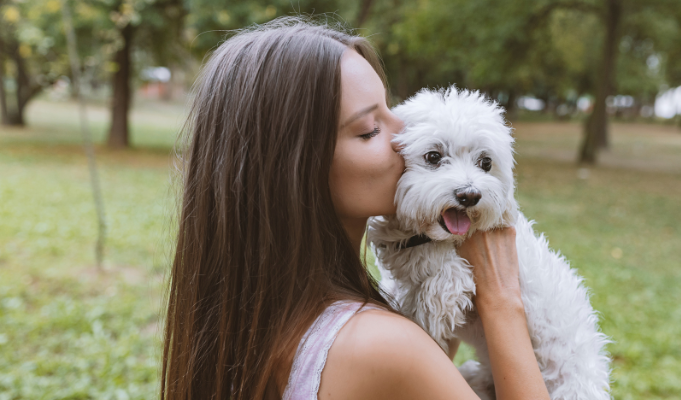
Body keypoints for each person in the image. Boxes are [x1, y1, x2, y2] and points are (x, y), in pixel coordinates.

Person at [161, 17, 550, 400]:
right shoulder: (385, 347)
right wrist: (502, 300)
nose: (403, 135)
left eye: (390, 107)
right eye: (370, 129)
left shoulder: (238, 322)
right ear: (297, 170)